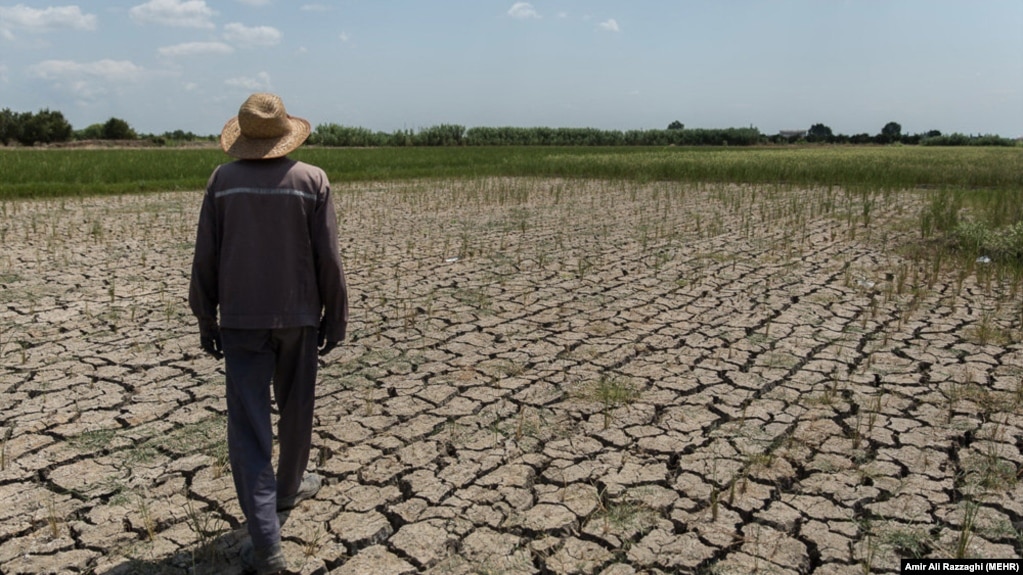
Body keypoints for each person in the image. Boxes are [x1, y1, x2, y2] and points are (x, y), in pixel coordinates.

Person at [189, 92, 349, 574]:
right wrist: (335, 316)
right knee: (298, 408)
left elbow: (206, 256)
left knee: (250, 430)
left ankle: (266, 543)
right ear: (284, 135)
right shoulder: (311, 179)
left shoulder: (223, 182)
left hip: (240, 322)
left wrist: (205, 315)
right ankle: (285, 491)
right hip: (299, 317)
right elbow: (329, 259)